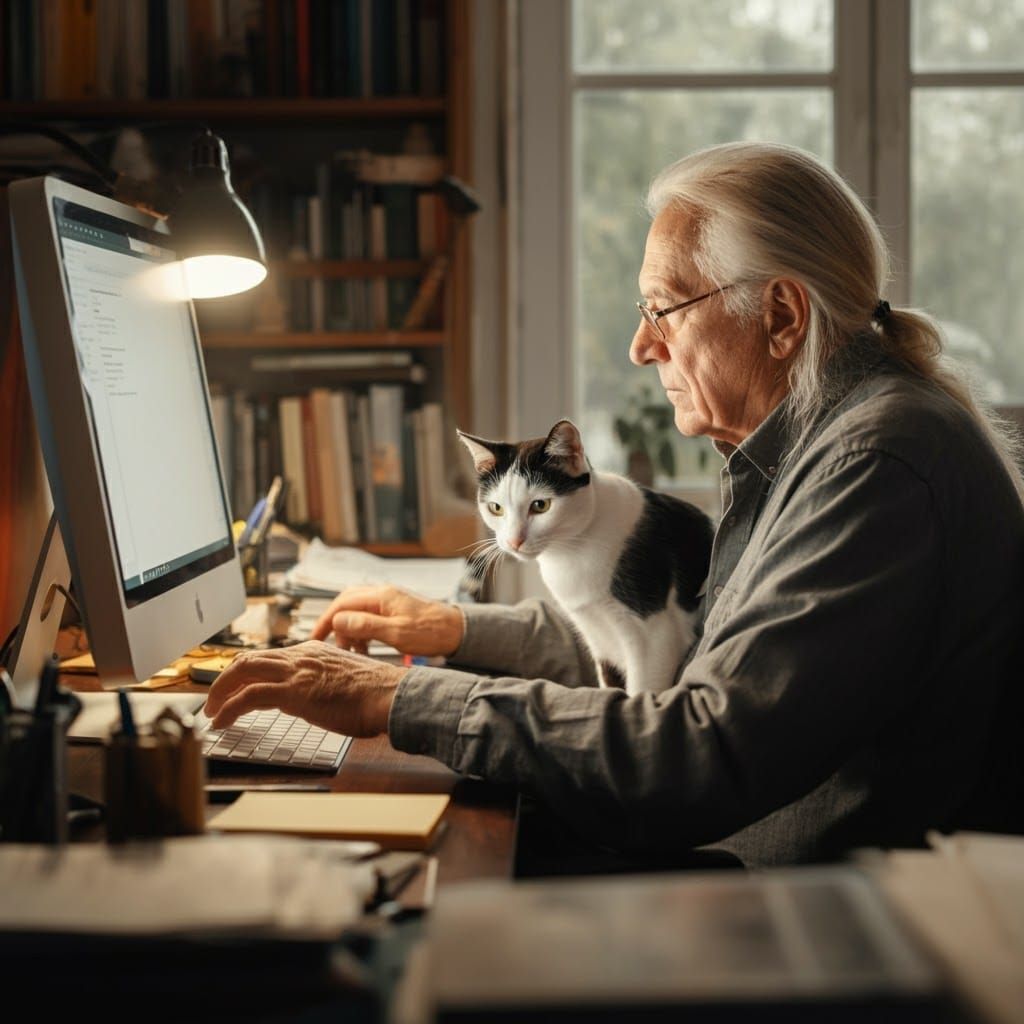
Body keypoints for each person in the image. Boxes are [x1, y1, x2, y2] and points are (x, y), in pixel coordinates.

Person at [206, 143, 1024, 867]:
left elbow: (700, 752)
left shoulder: (874, 464)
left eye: (662, 309)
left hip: (801, 913)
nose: (642, 346)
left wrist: (398, 698)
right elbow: (668, 654)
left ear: (780, 315)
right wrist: (455, 633)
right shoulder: (830, 437)